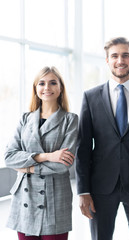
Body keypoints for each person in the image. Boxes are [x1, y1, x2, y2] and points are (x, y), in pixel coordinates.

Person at [75, 37, 129, 240]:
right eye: (114, 56)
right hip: (100, 186)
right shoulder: (90, 97)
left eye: (125, 55)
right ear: (107, 60)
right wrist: (83, 191)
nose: (120, 60)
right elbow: (82, 148)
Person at [4, 66, 78, 240]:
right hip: (25, 197)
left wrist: (28, 168)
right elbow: (9, 157)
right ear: (36, 89)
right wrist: (47, 156)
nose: (47, 88)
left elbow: (64, 165)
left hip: (55, 198)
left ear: (60, 89)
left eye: (53, 83)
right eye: (42, 83)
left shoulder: (70, 119)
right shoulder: (25, 118)